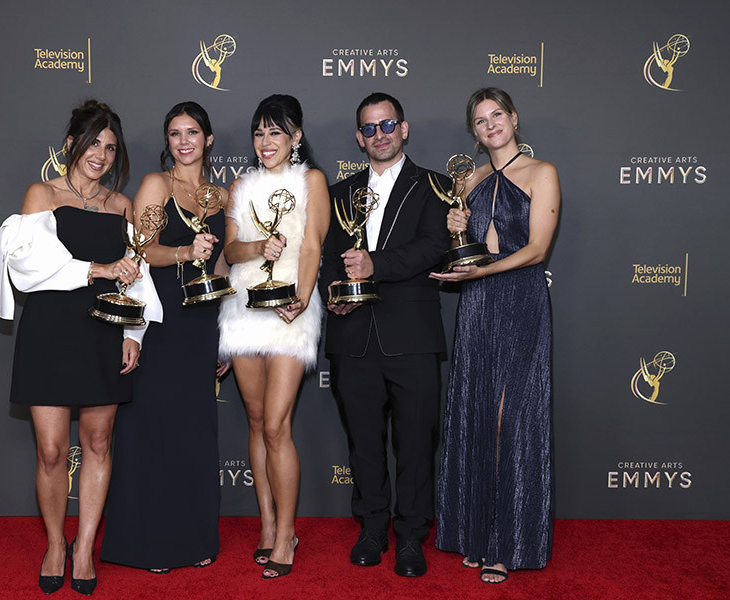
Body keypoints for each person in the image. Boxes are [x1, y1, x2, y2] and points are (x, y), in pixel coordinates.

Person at [0, 100, 156, 595]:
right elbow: (27, 267)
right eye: (93, 143)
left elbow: (138, 274)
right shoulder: (42, 194)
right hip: (49, 330)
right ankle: (55, 544)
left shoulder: (122, 205)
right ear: (71, 144)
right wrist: (96, 269)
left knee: (99, 443)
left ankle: (84, 547)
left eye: (110, 148)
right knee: (50, 452)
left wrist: (134, 333)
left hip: (103, 330)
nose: (101, 155)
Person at [432, 87, 560, 584]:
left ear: (513, 118)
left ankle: (511, 543)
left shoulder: (541, 172)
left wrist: (480, 275)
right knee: (478, 412)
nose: (490, 126)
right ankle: (478, 533)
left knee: (513, 417)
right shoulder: (471, 178)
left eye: (497, 116)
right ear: (475, 132)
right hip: (477, 305)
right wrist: (455, 225)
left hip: (520, 299)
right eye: (481, 121)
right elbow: (467, 248)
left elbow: (537, 250)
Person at [320, 92, 450, 578]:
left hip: (412, 336)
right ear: (359, 137)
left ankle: (412, 535)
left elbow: (434, 247)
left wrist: (374, 267)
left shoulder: (436, 186)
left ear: (404, 128)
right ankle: (372, 528)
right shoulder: (338, 193)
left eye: (387, 124)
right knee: (364, 442)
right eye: (370, 128)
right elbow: (328, 254)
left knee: (416, 442)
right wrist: (335, 290)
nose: (380, 135)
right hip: (352, 335)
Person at [101, 101, 226, 573]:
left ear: (208, 139)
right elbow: (141, 249)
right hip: (162, 318)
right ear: (167, 141)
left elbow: (222, 265)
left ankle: (193, 539)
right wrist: (183, 251)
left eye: (193, 132)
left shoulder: (222, 196)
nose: (184, 141)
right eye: (175, 133)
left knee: (194, 432)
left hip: (202, 321)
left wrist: (226, 334)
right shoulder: (157, 184)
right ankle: (146, 543)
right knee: (150, 429)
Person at [219, 94, 330, 579]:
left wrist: (302, 297)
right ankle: (266, 525)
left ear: (296, 136)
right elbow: (230, 249)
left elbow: (312, 245)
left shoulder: (311, 181)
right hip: (244, 308)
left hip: (291, 309)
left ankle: (287, 534)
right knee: (256, 419)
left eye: (276, 132)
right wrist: (256, 246)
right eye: (260, 133)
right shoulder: (240, 186)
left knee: (276, 427)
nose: (267, 142)